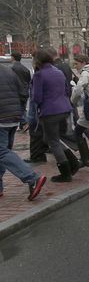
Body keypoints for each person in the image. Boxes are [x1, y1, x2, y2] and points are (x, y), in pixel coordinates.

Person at [31, 49, 80, 182]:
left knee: (53, 141)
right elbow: (66, 90)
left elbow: (37, 97)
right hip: (63, 108)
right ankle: (73, 162)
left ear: (38, 61)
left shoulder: (39, 75)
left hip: (49, 111)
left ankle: (66, 172)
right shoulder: (58, 72)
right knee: (50, 139)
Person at [0, 63, 47, 201]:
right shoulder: (9, 70)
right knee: (4, 153)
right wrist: (20, 114)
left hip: (2, 118)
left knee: (1, 152)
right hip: (13, 117)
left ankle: (32, 178)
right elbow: (24, 92)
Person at [10, 52, 31, 126]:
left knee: (17, 110)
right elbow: (29, 80)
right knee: (23, 108)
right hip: (25, 92)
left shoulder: (12, 68)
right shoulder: (25, 69)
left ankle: (25, 122)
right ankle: (23, 125)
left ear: (13, 58)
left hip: (16, 92)